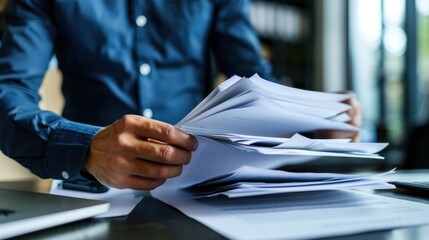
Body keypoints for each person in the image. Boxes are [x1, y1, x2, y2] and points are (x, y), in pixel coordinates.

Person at [0, 0, 360, 190]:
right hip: (89, 188)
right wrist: (87, 148)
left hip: (198, 189)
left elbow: (253, 80)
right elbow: (9, 90)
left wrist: (313, 119)